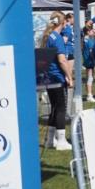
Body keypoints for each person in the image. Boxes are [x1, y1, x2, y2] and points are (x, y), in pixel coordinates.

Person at [40, 11, 73, 149]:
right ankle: (61, 140)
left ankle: (50, 140)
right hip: (57, 77)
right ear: (63, 22)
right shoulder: (57, 38)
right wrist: (69, 77)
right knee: (60, 108)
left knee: (54, 107)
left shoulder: (47, 36)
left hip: (48, 77)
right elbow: (62, 60)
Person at [81, 24, 95, 102]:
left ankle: (89, 94)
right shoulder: (89, 41)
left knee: (89, 77)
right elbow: (92, 52)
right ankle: (89, 95)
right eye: (92, 31)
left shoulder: (85, 39)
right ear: (88, 32)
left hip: (87, 60)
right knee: (90, 78)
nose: (93, 32)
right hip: (89, 61)